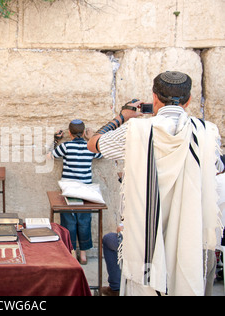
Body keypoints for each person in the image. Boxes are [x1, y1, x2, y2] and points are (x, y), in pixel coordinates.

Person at [87, 71, 224, 296]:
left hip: (147, 234)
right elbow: (215, 168)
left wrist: (122, 117)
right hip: (191, 232)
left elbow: (93, 144)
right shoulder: (208, 132)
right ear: (188, 100)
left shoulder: (136, 131)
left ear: (154, 97)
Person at [51, 119, 102, 264]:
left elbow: (51, 155)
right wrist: (91, 138)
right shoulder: (89, 147)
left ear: (69, 133)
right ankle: (84, 254)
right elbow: (101, 153)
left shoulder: (66, 146)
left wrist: (56, 140)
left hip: (69, 190)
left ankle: (72, 253)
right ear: (84, 131)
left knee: (69, 220)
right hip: (86, 190)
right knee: (84, 220)